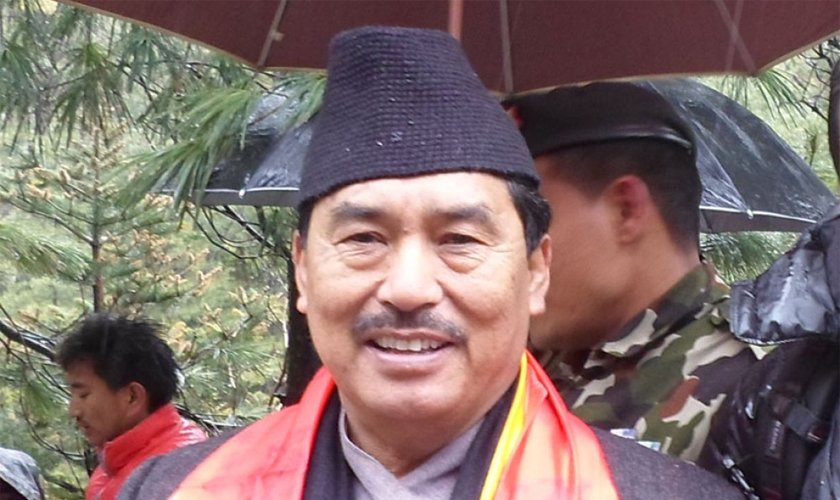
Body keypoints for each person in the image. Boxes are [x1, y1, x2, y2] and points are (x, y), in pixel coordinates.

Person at [118, 26, 743, 500]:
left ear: (536, 272)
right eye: (364, 238)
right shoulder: (174, 489)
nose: (409, 288)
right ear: (304, 269)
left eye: (459, 240)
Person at [505, 83, 758, 461]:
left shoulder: (755, 392)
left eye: (531, 226)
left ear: (625, 210)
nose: (517, 259)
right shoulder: (526, 351)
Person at [56, 313, 206, 500]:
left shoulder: (177, 473)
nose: (74, 411)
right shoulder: (114, 464)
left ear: (133, 397)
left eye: (83, 395)